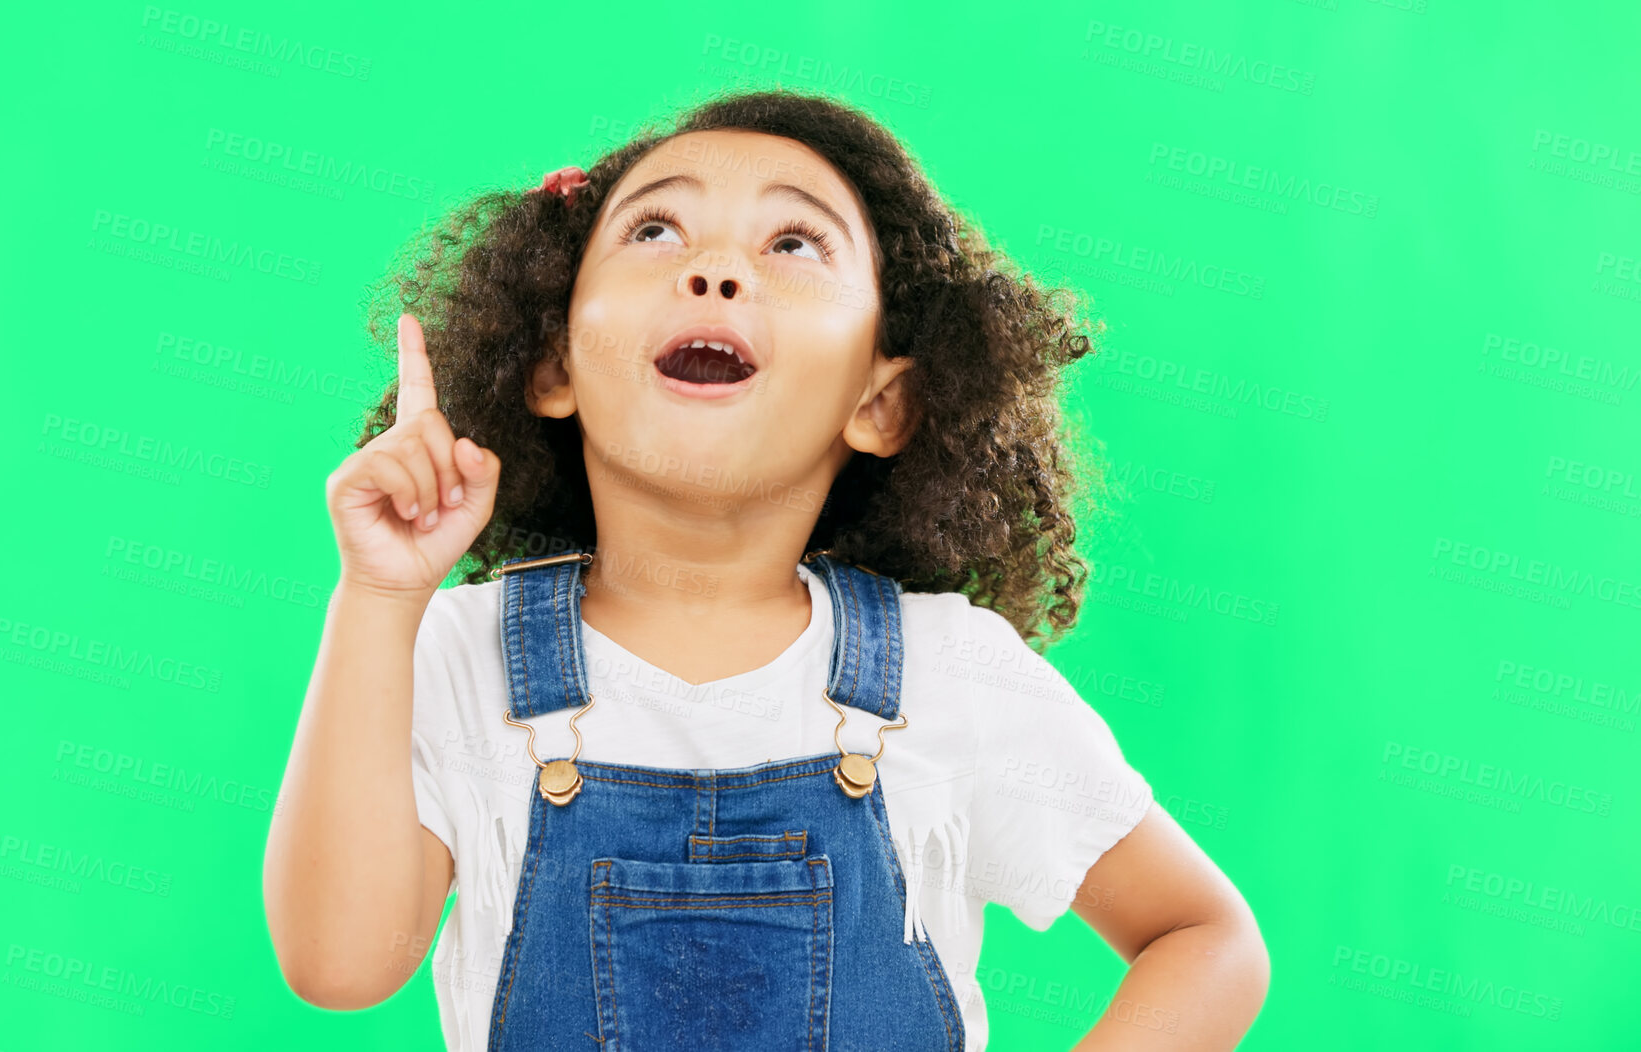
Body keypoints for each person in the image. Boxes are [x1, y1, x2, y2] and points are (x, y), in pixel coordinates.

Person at [263, 87, 1270, 1051]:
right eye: (654, 231)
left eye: (792, 243)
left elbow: (1204, 939)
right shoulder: (455, 651)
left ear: (881, 402)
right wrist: (380, 594)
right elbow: (338, 964)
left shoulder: (949, 672)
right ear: (554, 363)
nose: (712, 269)